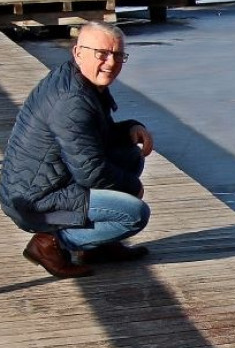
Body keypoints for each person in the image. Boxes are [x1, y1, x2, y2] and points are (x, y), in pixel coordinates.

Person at [0, 22, 152, 278]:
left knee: (130, 154)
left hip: (50, 180)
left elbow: (92, 139)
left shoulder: (81, 80)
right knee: (134, 214)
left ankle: (97, 245)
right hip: (35, 200)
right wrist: (130, 187)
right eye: (101, 54)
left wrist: (130, 128)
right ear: (78, 52)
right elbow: (90, 172)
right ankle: (52, 244)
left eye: (117, 55)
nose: (110, 62)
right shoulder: (72, 100)